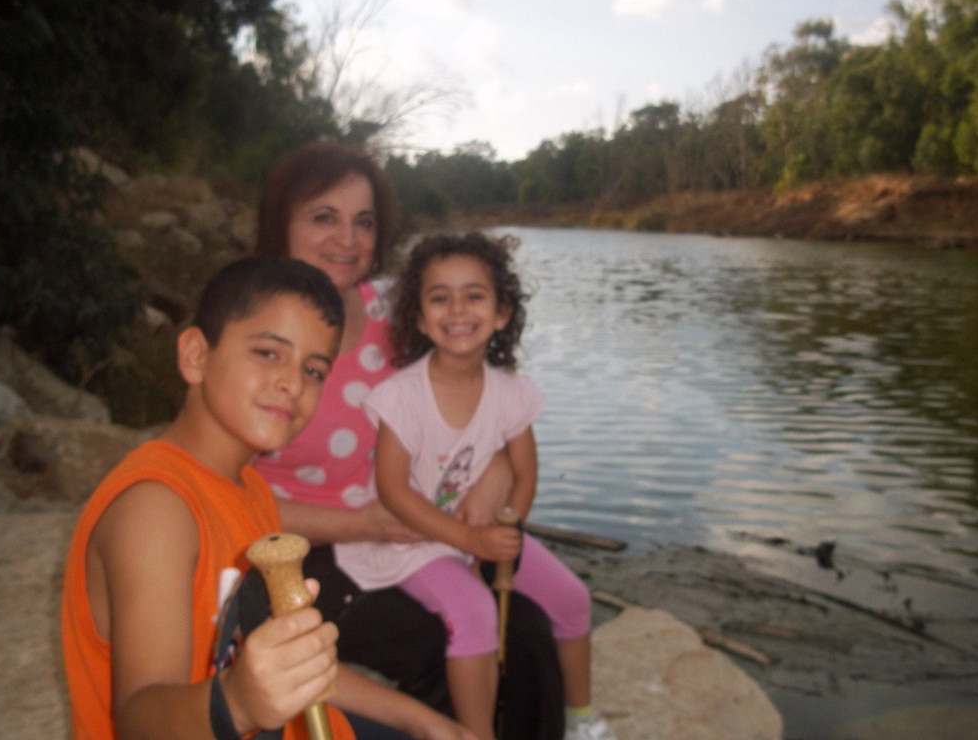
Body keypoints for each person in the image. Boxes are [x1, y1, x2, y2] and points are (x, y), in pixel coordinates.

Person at [253, 140, 565, 740]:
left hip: (421, 526)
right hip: (314, 552)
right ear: (280, 226)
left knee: (524, 628)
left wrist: (499, 467)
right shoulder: (252, 338)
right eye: (324, 217)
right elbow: (220, 492)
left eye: (364, 222)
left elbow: (485, 388)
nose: (347, 240)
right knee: (441, 648)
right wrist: (358, 524)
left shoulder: (398, 309)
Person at [336, 232, 615, 740]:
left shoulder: (510, 392)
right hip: (413, 540)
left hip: (481, 531)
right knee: (474, 612)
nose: (458, 310)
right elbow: (393, 491)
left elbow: (524, 472)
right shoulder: (401, 397)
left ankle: (582, 719)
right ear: (420, 319)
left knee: (572, 598)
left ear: (502, 312)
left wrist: (507, 534)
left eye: (474, 295)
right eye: (440, 297)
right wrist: (467, 542)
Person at [61, 256, 353, 740]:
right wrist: (236, 702)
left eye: (314, 369)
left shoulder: (251, 490)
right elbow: (138, 720)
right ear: (196, 355)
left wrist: (419, 719)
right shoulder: (156, 509)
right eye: (268, 353)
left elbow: (292, 664)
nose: (293, 383)